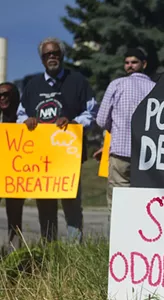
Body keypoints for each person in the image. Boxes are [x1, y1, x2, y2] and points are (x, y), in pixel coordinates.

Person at [16, 37, 98, 243]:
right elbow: (20, 115)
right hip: (40, 159)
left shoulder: (78, 80)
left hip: (68, 157)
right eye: (47, 55)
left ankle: (74, 255)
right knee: (45, 206)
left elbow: (91, 112)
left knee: (71, 205)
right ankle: (49, 251)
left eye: (55, 53)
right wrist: (27, 121)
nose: (52, 57)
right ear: (41, 59)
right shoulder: (32, 85)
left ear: (62, 55)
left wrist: (72, 122)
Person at [96, 48, 155, 220]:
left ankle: (117, 242)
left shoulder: (117, 84)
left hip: (120, 152)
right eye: (127, 62)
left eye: (134, 62)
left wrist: (114, 128)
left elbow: (100, 120)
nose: (129, 66)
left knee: (117, 202)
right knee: (141, 201)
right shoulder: (156, 88)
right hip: (146, 154)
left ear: (144, 64)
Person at [0, 82, 25, 250]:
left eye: (6, 94)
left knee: (15, 219)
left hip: (15, 177)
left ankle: (15, 256)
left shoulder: (24, 120)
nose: (2, 98)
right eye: (0, 95)